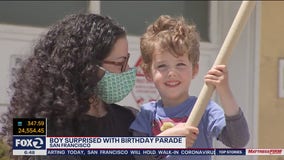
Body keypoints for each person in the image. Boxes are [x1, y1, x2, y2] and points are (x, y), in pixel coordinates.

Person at [0, 13, 137, 160]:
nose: (128, 70)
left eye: (127, 60)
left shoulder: (130, 120)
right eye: (120, 63)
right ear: (87, 66)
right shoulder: (33, 127)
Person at [130, 15, 250, 160]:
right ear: (148, 73)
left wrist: (224, 90)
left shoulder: (205, 109)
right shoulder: (147, 114)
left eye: (180, 64)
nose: (172, 73)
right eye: (162, 66)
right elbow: (137, 156)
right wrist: (166, 140)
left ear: (194, 69)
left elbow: (238, 141)